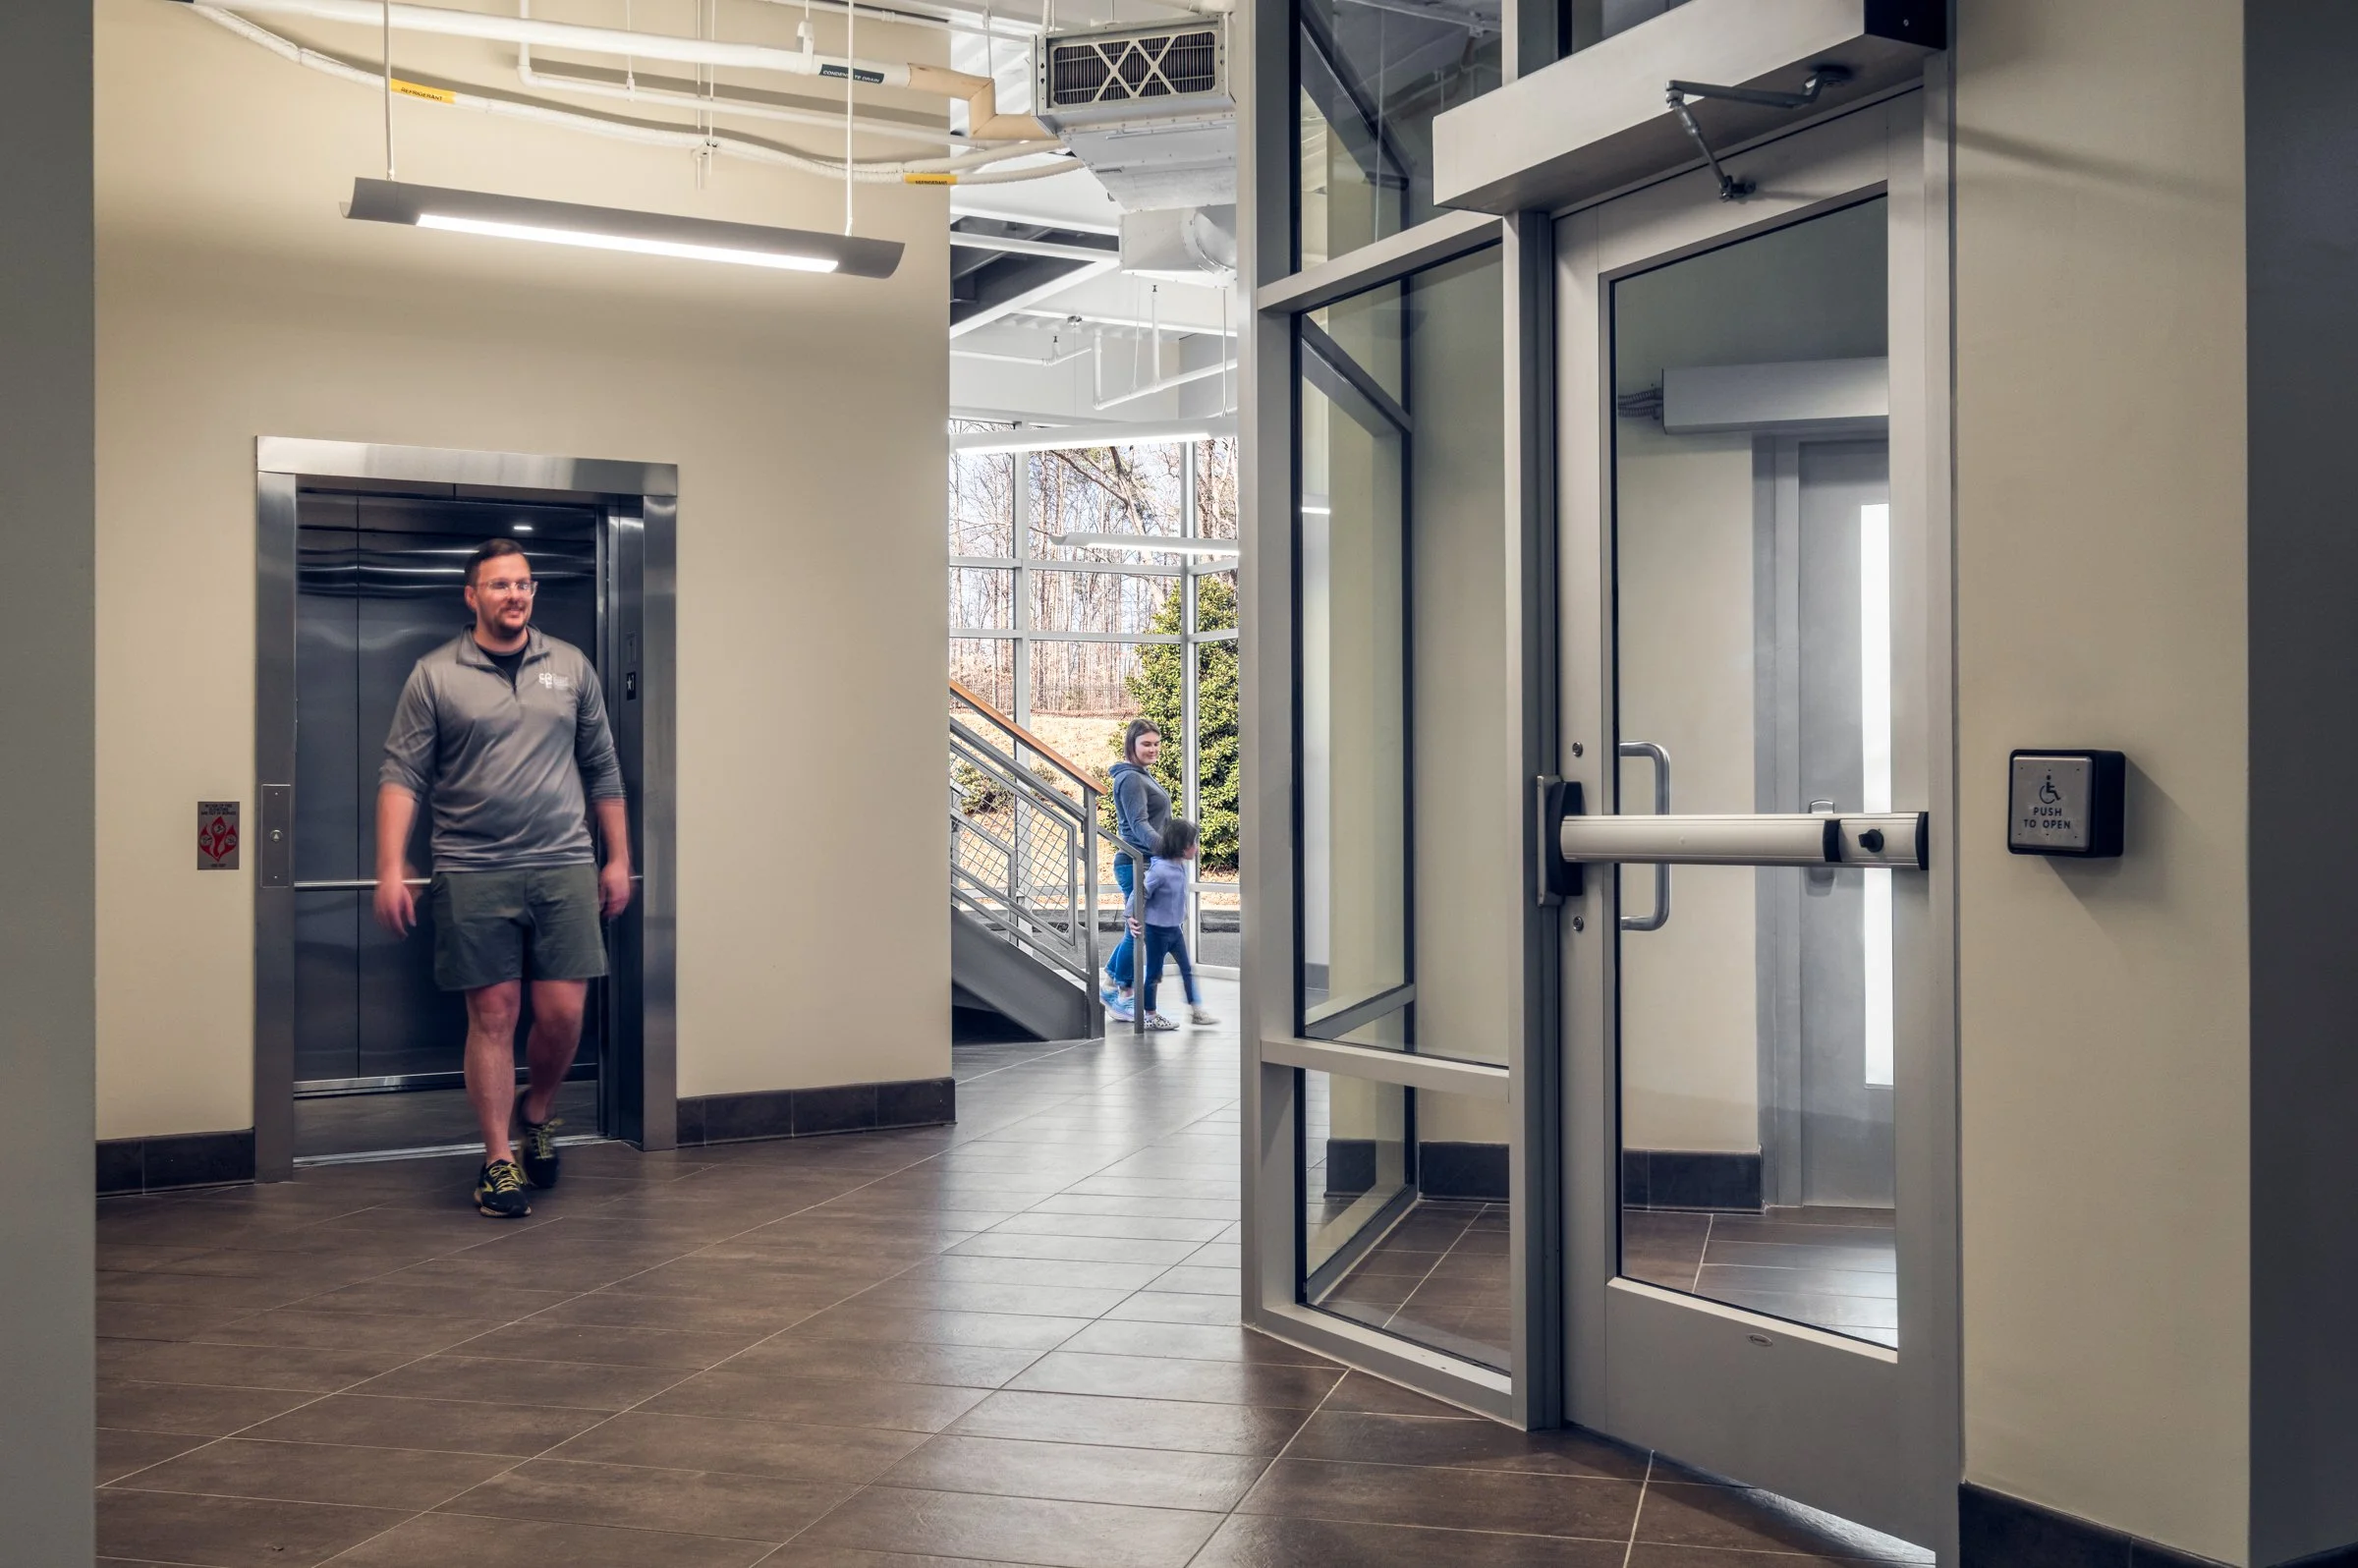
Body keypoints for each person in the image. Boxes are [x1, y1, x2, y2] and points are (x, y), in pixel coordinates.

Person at [374, 537, 632, 1218]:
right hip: (472, 868)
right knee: (493, 1016)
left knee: (564, 1015)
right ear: (472, 595)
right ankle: (497, 1160)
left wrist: (617, 857)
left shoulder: (571, 667)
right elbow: (402, 776)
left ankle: (538, 1109)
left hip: (564, 864)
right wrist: (392, 865)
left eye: (523, 584)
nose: (513, 595)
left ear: (533, 592)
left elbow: (603, 769)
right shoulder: (434, 675)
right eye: (498, 585)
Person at [1102, 717, 1171, 1024]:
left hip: (1145, 862)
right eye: (1146, 744)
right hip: (1137, 863)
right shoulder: (1131, 779)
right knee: (1139, 930)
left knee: (1137, 928)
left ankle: (1111, 981)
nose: (1153, 749)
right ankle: (1125, 996)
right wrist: (1166, 849)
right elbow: (1139, 823)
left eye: (1156, 743)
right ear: (1132, 745)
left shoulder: (1141, 775)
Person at [1133, 817, 1216, 1032]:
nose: (1196, 849)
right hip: (1156, 931)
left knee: (1187, 970)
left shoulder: (1180, 867)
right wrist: (1129, 916)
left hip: (1174, 930)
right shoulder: (1159, 870)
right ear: (1181, 847)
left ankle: (1196, 1011)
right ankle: (1149, 1015)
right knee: (1153, 974)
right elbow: (1139, 892)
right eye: (1193, 844)